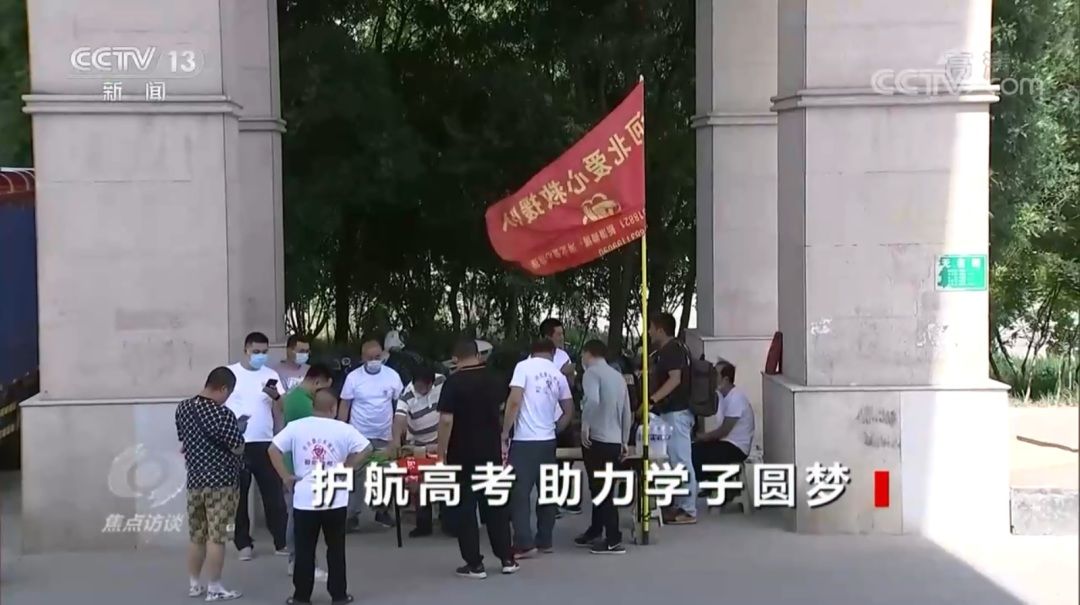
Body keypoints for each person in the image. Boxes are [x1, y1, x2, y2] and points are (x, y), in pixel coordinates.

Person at [270, 388, 372, 605]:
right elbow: (367, 447)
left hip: (305, 499)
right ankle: (339, 595)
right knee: (335, 549)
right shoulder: (343, 429)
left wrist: (286, 476)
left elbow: (273, 449)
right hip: (335, 498)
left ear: (312, 406)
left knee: (304, 549)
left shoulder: (296, 427)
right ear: (333, 408)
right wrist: (349, 466)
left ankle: (301, 596)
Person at [437, 339, 519, 578]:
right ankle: (507, 558)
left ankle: (474, 564)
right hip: (490, 451)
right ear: (478, 354)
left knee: (465, 508)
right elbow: (503, 408)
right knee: (496, 506)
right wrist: (502, 435)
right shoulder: (494, 378)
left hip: (461, 454)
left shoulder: (453, 382)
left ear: (455, 358)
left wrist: (441, 452)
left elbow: (446, 420)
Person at [176, 366, 245, 601]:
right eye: (229, 393)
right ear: (223, 388)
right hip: (221, 483)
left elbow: (184, 442)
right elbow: (237, 447)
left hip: (195, 481)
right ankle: (214, 587)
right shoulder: (223, 414)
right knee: (217, 537)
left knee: (197, 536)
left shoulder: (183, 408)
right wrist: (239, 431)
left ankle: (194, 585)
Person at [502, 339, 574, 558]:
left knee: (519, 493)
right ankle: (545, 539)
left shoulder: (523, 367)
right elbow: (568, 410)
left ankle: (524, 542)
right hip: (548, 440)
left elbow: (515, 401)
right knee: (548, 491)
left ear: (532, 351)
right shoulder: (558, 375)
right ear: (552, 353)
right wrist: (556, 428)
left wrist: (505, 432)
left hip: (525, 440)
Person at [225, 331, 288, 559]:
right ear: (246, 350)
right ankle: (243, 544)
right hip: (237, 444)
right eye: (256, 351)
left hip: (265, 443)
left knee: (274, 496)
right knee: (239, 497)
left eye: (264, 352)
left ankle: (281, 541)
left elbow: (282, 408)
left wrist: (277, 398)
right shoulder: (230, 374)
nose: (260, 355)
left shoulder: (271, 375)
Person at [338, 337, 403, 530]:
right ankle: (351, 514)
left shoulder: (392, 376)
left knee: (383, 474)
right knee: (354, 474)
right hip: (358, 435)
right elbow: (345, 404)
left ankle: (382, 511)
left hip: (384, 434)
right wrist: (341, 431)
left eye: (377, 356)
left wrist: (397, 435)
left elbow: (400, 405)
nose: (374, 360)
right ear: (362, 358)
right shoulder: (353, 378)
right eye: (370, 357)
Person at [574, 340, 632, 554]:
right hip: (614, 440)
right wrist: (624, 439)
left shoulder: (591, 373)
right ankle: (596, 529)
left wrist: (585, 425)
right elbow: (627, 410)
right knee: (601, 487)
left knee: (601, 490)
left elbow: (592, 400)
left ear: (588, 353)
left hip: (597, 439)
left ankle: (613, 539)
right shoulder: (617, 376)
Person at [280, 363, 335, 580]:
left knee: (297, 516)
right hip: (299, 468)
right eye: (324, 390)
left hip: (295, 464)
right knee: (299, 519)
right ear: (317, 382)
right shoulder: (304, 404)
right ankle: (300, 562)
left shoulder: (294, 397)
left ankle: (298, 561)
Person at [647, 313, 698, 525]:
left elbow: (675, 379)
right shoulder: (676, 349)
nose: (649, 332)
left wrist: (652, 399)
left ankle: (688, 509)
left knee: (681, 460)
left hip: (677, 413)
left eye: (651, 327)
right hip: (673, 412)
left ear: (660, 329)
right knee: (674, 460)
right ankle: (679, 504)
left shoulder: (672, 350)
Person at [390, 365, 447, 537]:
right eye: (419, 387)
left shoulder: (442, 382)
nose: (421, 391)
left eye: (425, 388)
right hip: (418, 442)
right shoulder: (407, 394)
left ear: (431, 383)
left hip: (442, 440)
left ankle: (447, 519)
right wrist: (396, 441)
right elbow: (399, 419)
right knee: (419, 483)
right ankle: (423, 524)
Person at [693, 360, 755, 505]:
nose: (712, 377)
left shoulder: (736, 398)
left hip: (737, 447)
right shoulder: (721, 395)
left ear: (726, 379)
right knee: (694, 449)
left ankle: (724, 487)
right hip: (726, 442)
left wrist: (704, 437)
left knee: (699, 453)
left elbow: (724, 430)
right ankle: (713, 484)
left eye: (715, 374)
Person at [540, 317, 583, 516]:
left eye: (562, 334)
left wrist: (571, 375)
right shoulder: (536, 357)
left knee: (568, 458)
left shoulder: (563, 355)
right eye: (558, 334)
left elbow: (570, 385)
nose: (561, 338)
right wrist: (560, 372)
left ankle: (565, 497)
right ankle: (550, 502)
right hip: (545, 417)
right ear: (547, 336)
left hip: (563, 415)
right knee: (548, 461)